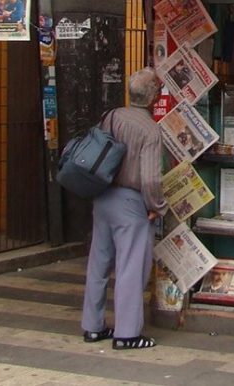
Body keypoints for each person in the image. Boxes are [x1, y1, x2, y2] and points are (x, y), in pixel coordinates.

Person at [81, 67, 166, 351]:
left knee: (98, 263)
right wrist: (157, 206)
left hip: (103, 197)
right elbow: (151, 178)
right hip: (131, 204)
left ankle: (92, 327)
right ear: (153, 97)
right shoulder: (150, 130)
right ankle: (127, 334)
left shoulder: (112, 116)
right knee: (131, 267)